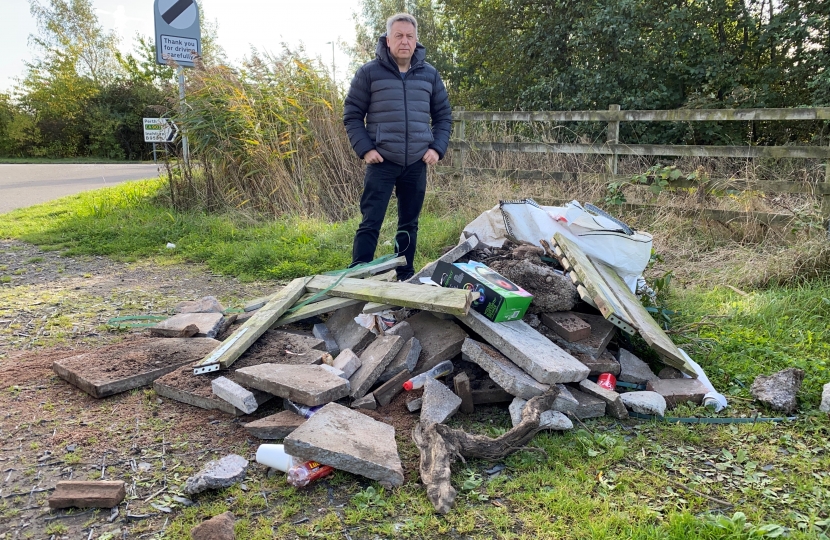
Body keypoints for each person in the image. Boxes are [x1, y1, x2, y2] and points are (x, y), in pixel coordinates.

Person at [343, 12, 452, 281]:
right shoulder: (369, 73)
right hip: (381, 161)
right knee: (370, 222)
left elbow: (443, 116)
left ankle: (404, 274)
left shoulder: (430, 75)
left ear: (416, 41)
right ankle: (360, 275)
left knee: (409, 224)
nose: (405, 41)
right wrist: (366, 149)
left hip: (416, 162)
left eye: (410, 36)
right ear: (387, 40)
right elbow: (352, 114)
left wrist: (436, 148)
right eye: (399, 36)